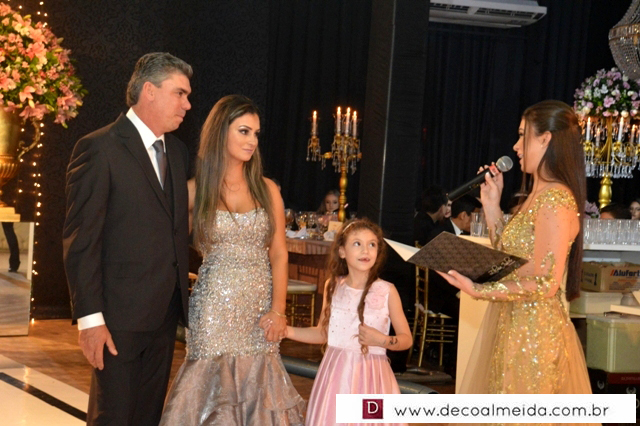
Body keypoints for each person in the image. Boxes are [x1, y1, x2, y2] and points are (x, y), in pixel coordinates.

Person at [63, 52, 192, 425]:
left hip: (165, 316)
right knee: (114, 417)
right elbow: (81, 241)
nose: (187, 104)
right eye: (180, 93)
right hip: (116, 318)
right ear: (149, 91)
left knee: (147, 417)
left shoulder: (178, 152)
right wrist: (90, 320)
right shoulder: (99, 148)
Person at [160, 95, 305, 425]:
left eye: (256, 133)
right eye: (243, 131)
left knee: (260, 389)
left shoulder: (268, 189)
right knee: (208, 389)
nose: (252, 140)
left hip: (258, 312)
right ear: (220, 132)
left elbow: (279, 253)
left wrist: (278, 310)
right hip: (212, 310)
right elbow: (166, 249)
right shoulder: (194, 191)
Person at [438, 100, 595, 397]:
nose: (515, 146)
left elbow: (546, 283)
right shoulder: (537, 195)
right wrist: (492, 205)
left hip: (534, 334)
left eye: (523, 135)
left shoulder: (555, 199)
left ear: (545, 139)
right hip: (515, 325)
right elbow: (512, 259)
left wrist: (479, 289)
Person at [285, 218, 412, 426]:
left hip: (373, 377)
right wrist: (286, 331)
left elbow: (406, 339)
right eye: (357, 243)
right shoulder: (333, 286)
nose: (366, 250)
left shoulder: (387, 290)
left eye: (372, 244)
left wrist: (382, 340)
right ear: (342, 251)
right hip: (337, 376)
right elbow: (323, 333)